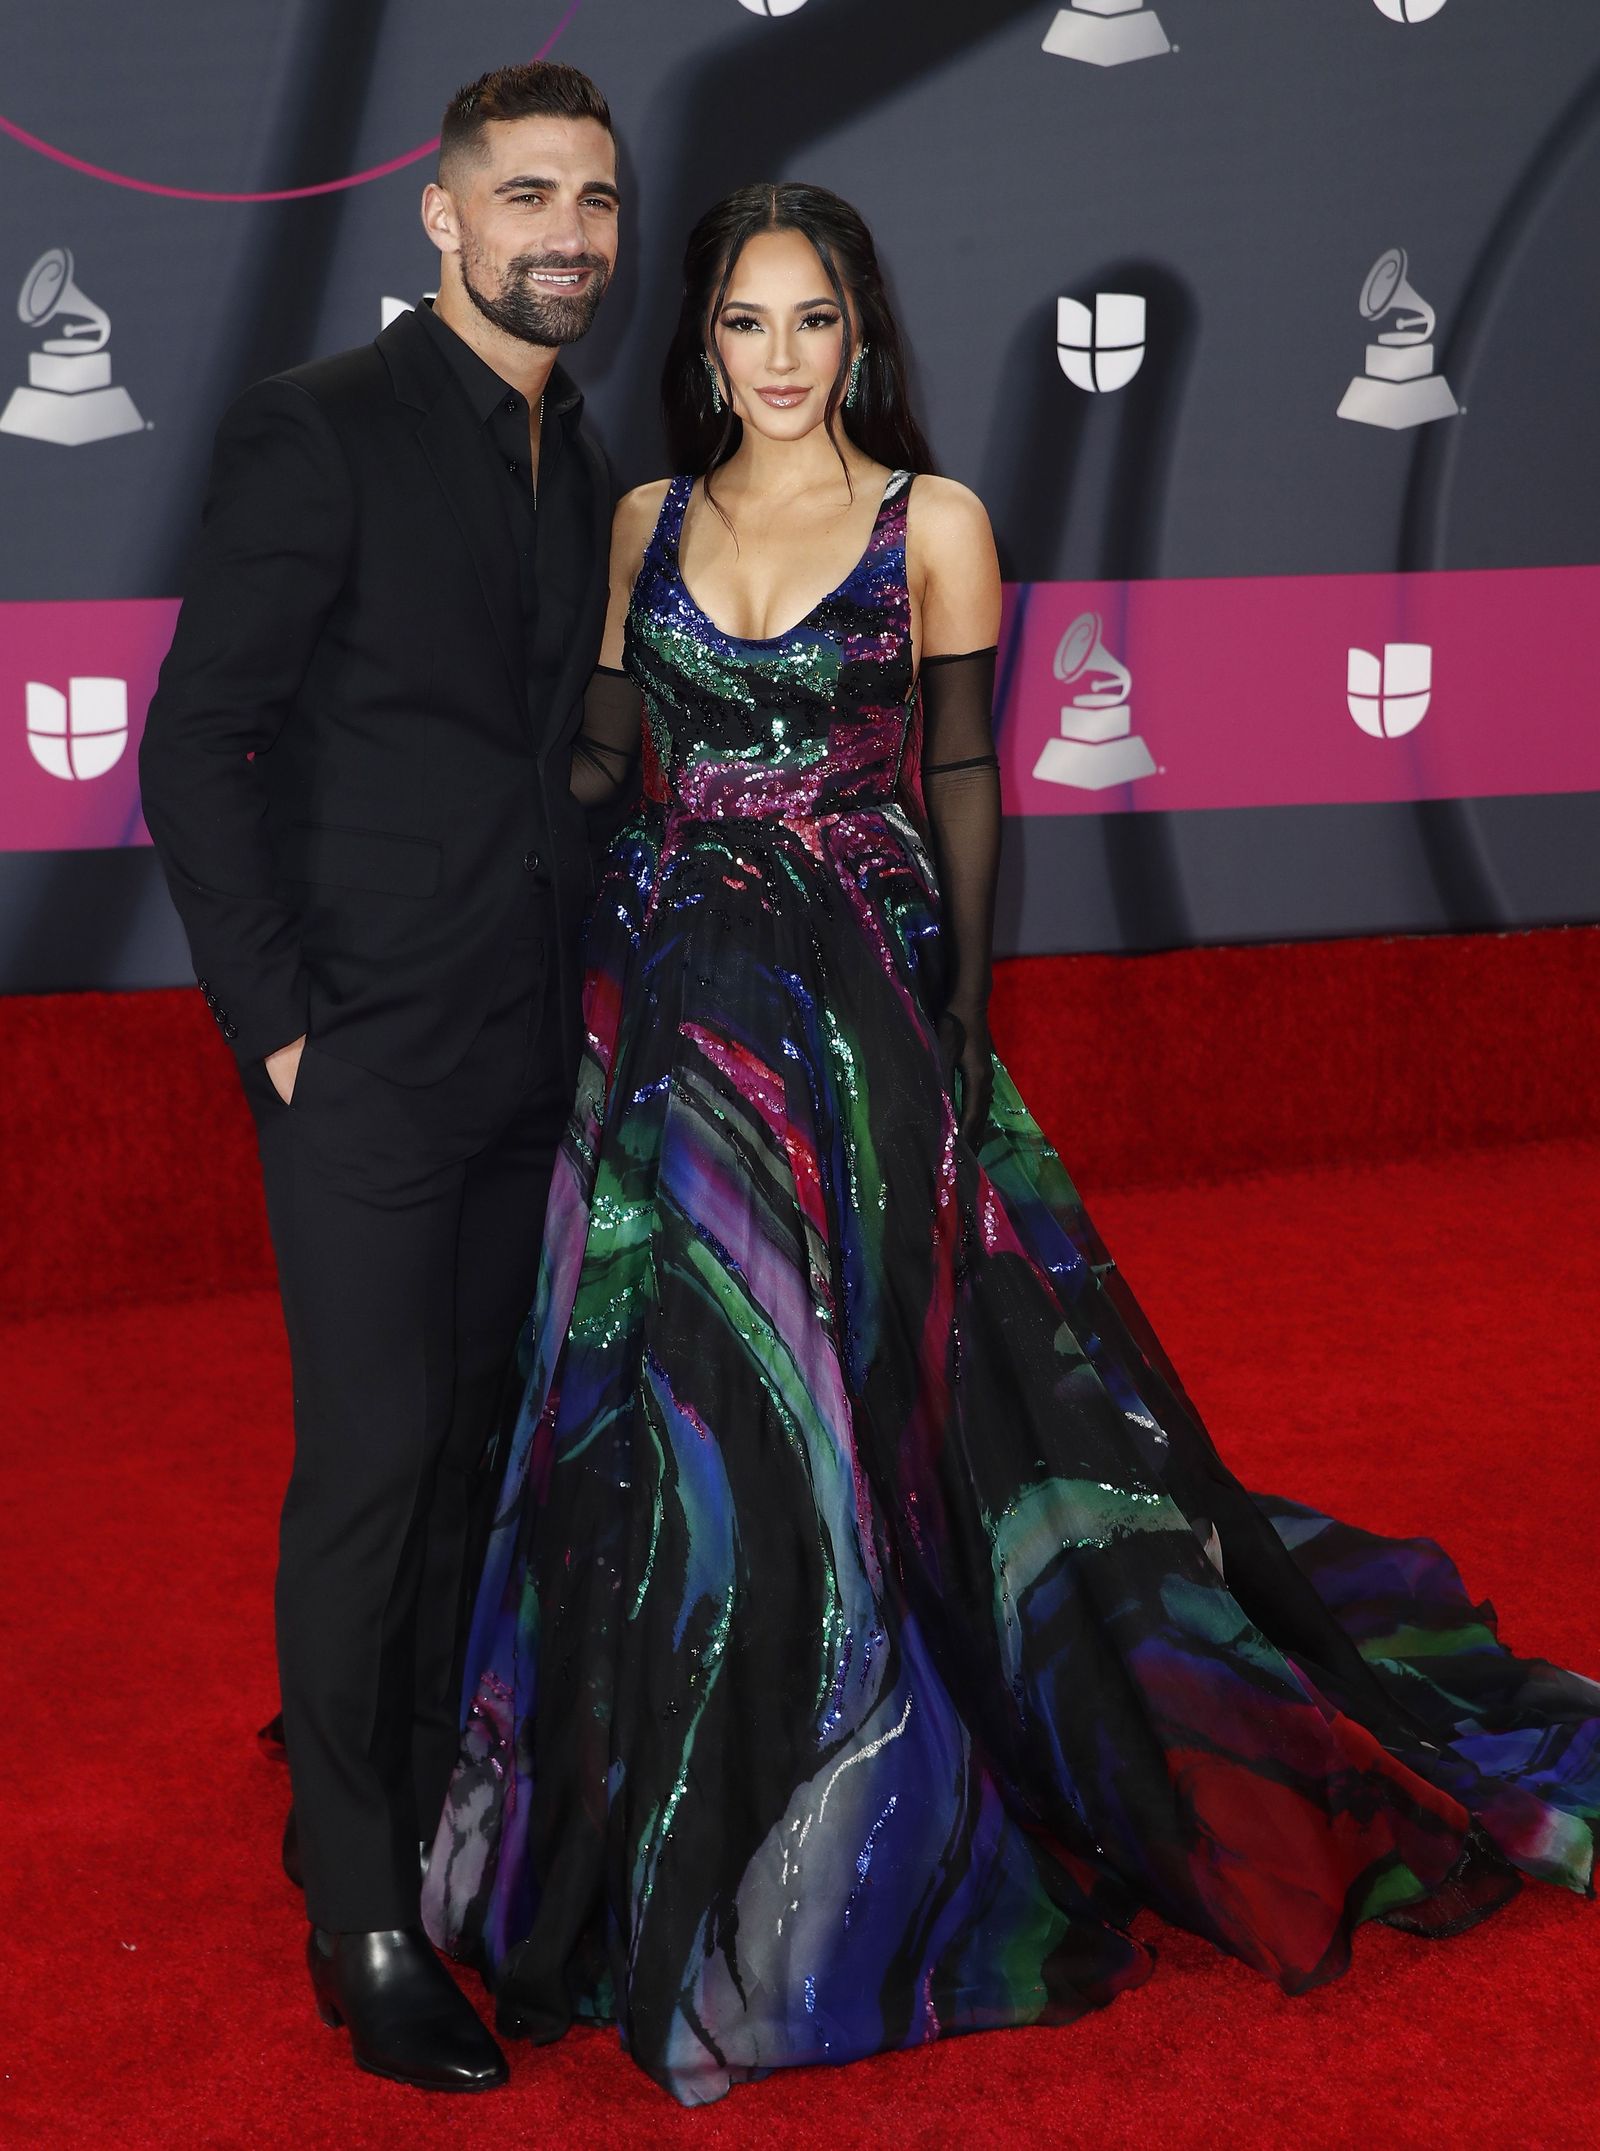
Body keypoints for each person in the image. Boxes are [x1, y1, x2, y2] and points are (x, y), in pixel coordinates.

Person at [422, 182, 1600, 2107]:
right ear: (701, 340)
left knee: (866, 1397)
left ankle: (836, 1798)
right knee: (660, 1390)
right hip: (661, 1010)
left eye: (814, 323)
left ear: (862, 336)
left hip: (851, 1014)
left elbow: (961, 771)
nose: (781, 360)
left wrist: (964, 1010)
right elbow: (608, 753)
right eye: (745, 323)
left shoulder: (934, 526)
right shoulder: (648, 520)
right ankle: (656, 1791)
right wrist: (461, 850)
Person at [138, 61, 622, 2093]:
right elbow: (195, 744)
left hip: (525, 1041)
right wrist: (279, 1030)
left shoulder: (589, 459)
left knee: (467, 1461)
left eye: (595, 199)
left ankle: (401, 1819)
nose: (568, 234)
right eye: (526, 196)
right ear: (441, 217)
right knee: (372, 1464)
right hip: (362, 1059)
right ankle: (360, 1920)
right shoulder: (318, 429)